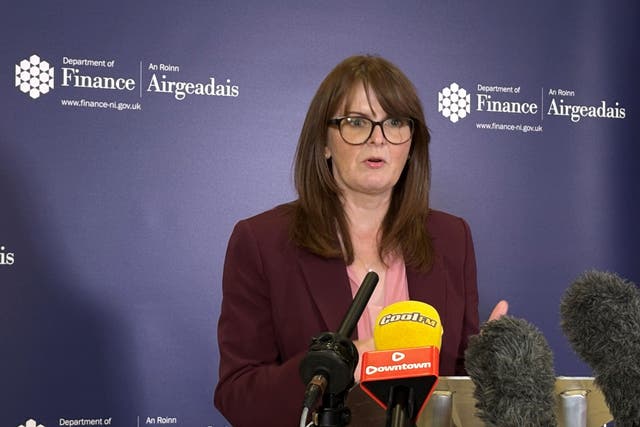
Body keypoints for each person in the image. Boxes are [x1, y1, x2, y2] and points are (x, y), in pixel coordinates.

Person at [214, 54, 508, 426]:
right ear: (324, 141)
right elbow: (239, 396)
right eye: (357, 122)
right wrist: (347, 361)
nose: (378, 139)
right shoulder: (262, 242)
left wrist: (490, 362)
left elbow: (457, 381)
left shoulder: (452, 238)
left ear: (411, 143)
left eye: (395, 122)